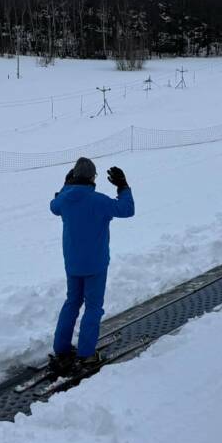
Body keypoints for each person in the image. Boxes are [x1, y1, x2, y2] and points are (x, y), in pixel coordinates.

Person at [48, 157, 135, 374]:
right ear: (93, 177)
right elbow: (127, 209)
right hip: (95, 264)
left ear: (73, 176)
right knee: (93, 307)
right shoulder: (99, 201)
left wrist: (66, 186)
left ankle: (61, 348)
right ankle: (86, 355)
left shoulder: (64, 200)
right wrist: (123, 186)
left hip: (72, 263)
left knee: (72, 302)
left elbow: (53, 206)